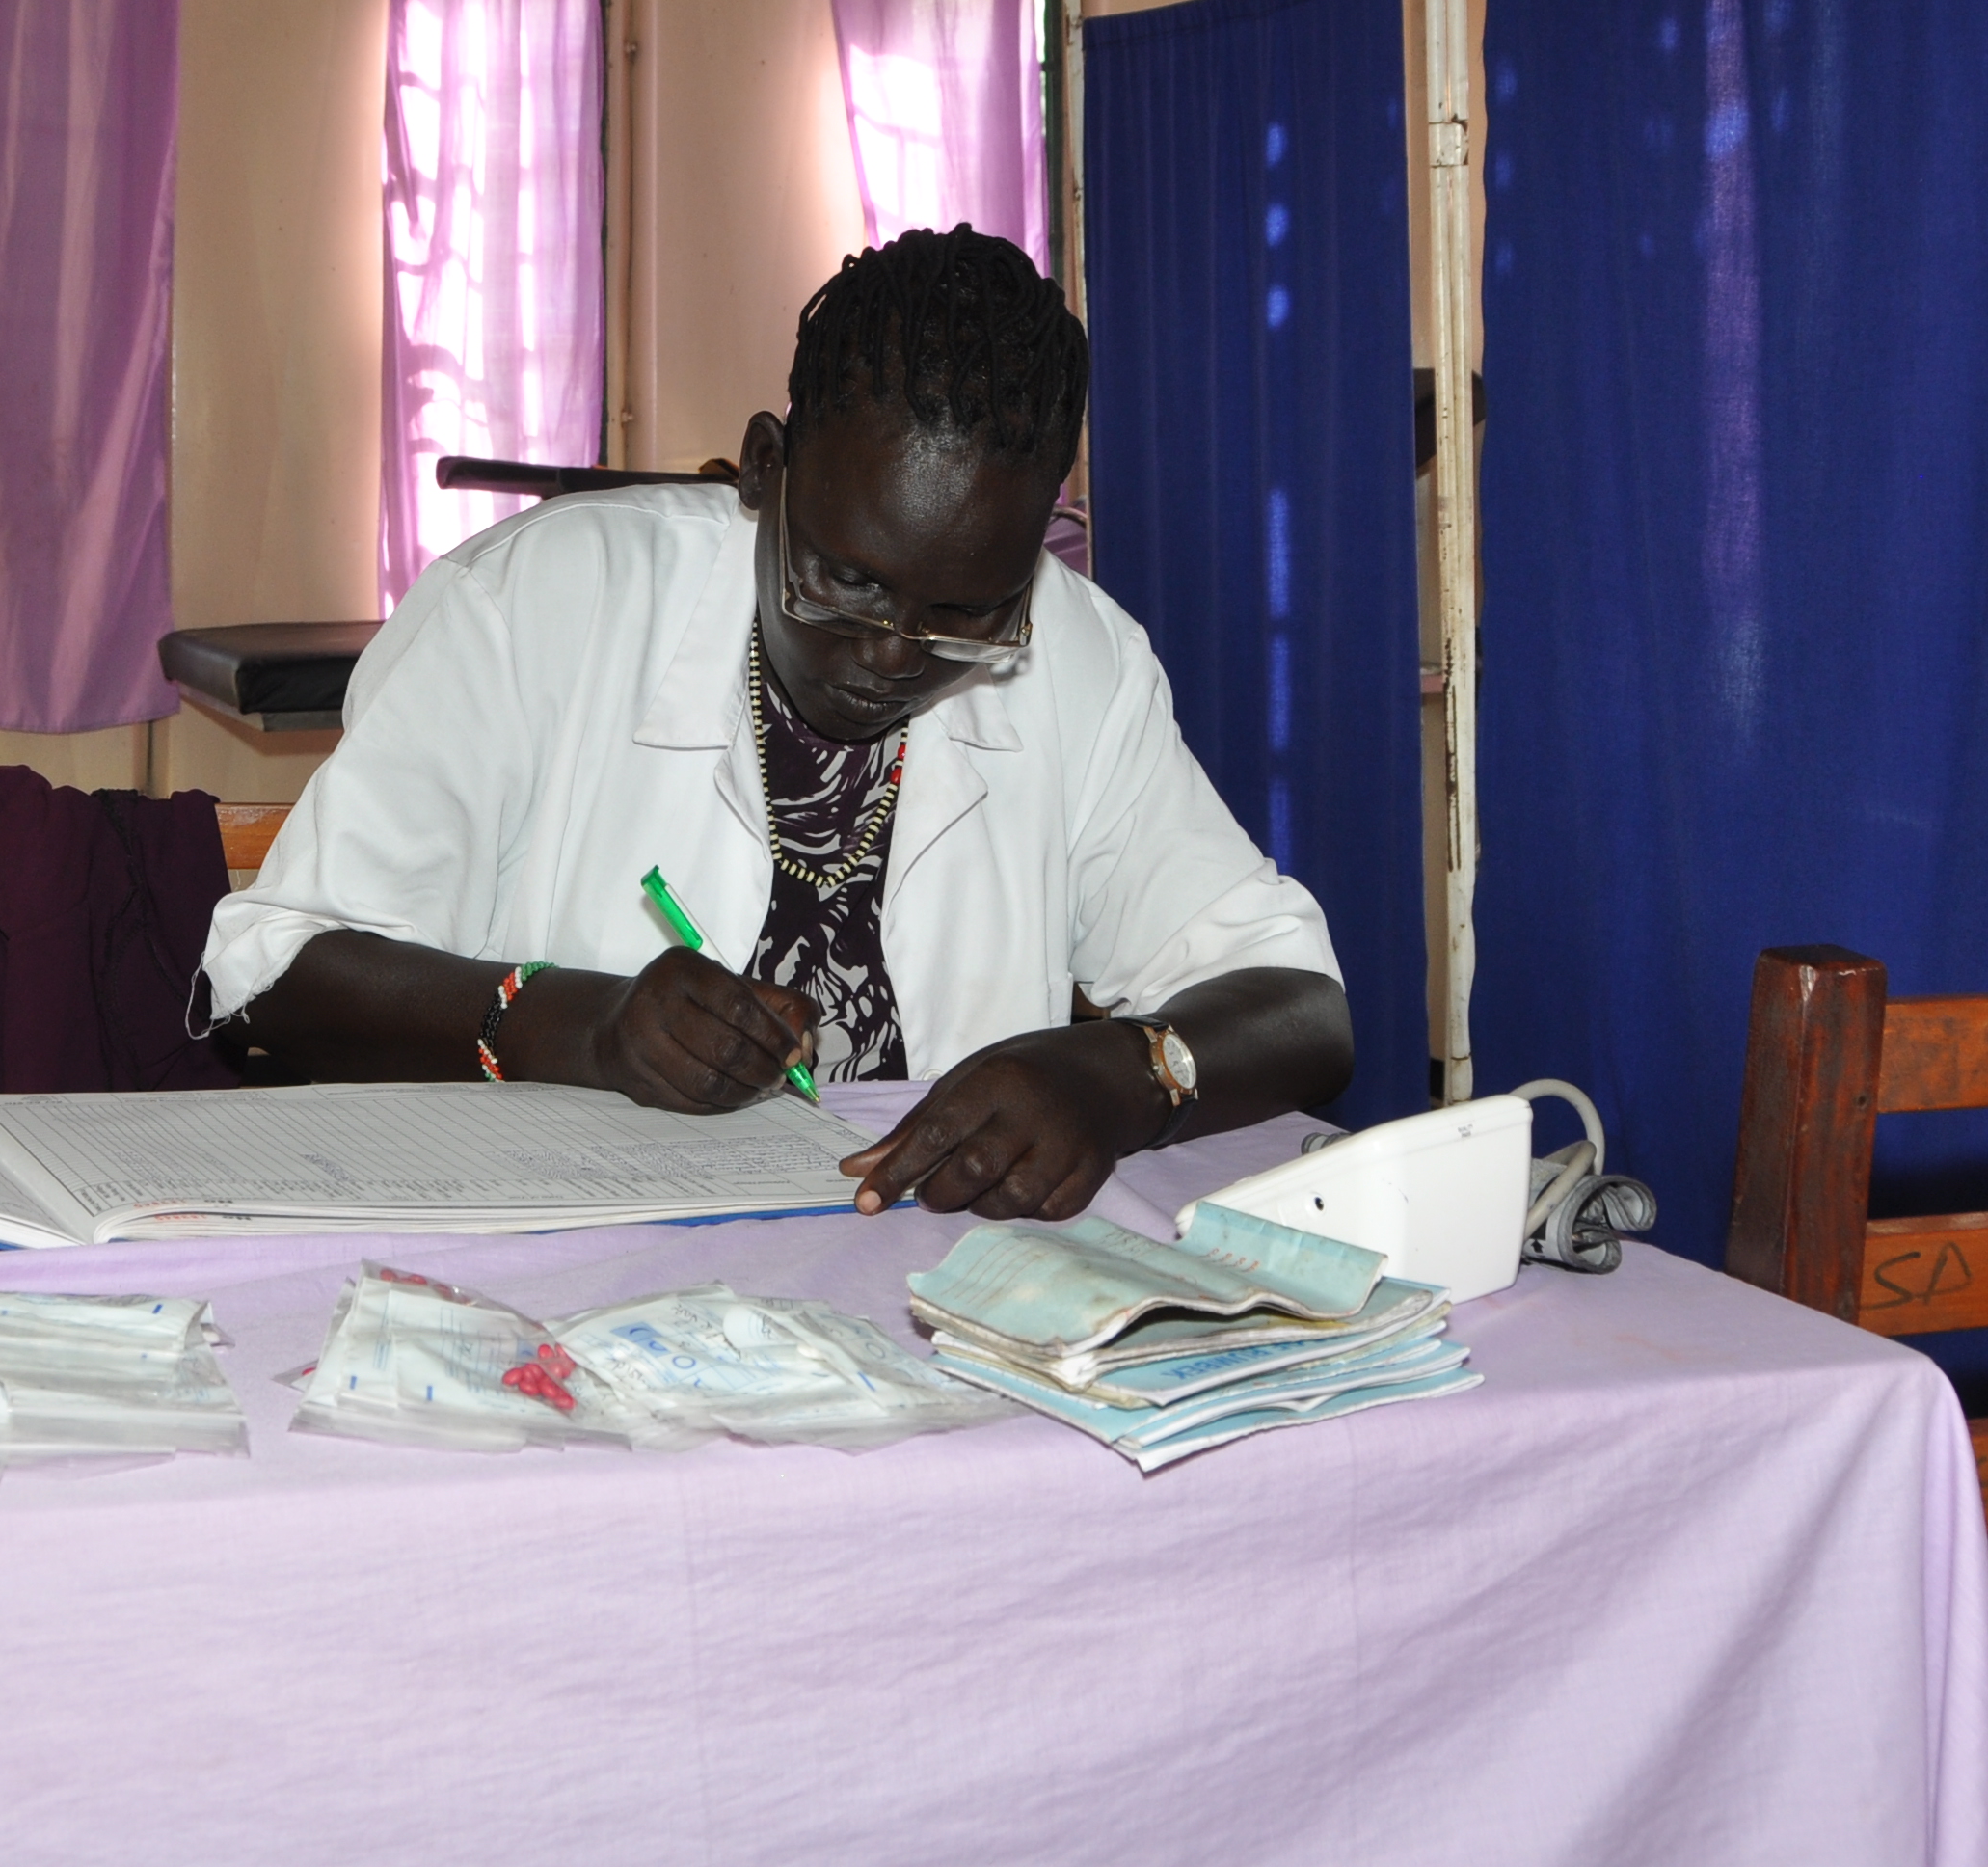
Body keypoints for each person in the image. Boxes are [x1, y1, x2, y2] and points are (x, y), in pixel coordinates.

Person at [201, 227, 1351, 1221]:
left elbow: (1298, 1002)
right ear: (763, 470)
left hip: (911, 1298)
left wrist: (1126, 1071)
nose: (894, 655)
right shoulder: (533, 606)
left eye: (966, 614)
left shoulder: (1080, 661)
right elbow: (274, 978)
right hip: (554, 1272)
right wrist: (583, 1025)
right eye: (843, 584)